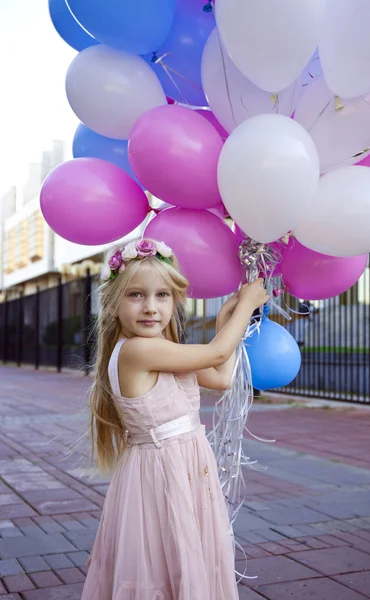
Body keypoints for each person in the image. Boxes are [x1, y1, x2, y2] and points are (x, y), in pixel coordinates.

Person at [81, 237, 269, 600]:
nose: (150, 307)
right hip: (162, 471)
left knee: (183, 557)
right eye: (136, 295)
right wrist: (246, 304)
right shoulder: (137, 350)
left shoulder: (161, 351)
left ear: (175, 300)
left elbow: (220, 376)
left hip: (183, 466)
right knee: (163, 561)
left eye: (162, 295)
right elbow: (217, 353)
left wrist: (223, 322)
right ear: (113, 304)